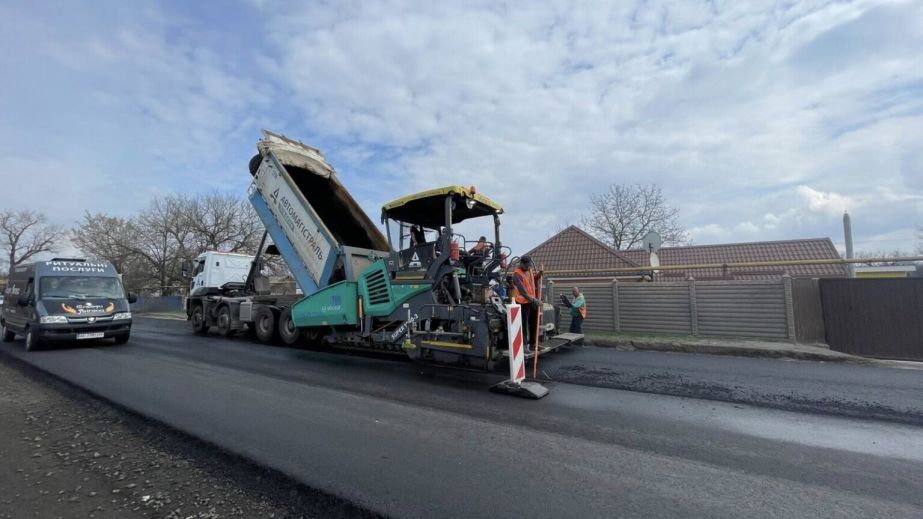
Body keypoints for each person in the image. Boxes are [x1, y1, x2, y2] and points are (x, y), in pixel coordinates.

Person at [512, 255, 543, 352]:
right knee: (524, 324)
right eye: (526, 266)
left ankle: (534, 344)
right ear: (521, 263)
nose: (528, 267)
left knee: (534, 323)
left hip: (531, 301)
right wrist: (535, 300)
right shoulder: (516, 274)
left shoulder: (528, 270)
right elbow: (523, 292)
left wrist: (539, 275)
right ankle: (525, 346)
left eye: (529, 265)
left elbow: (532, 280)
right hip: (523, 303)